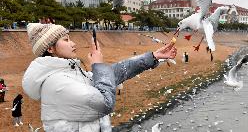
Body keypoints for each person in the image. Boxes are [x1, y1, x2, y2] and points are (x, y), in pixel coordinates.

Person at [22, 23, 177, 132]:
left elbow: (112, 74)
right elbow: (105, 103)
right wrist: (98, 65)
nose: (74, 43)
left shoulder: (70, 74)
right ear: (50, 48)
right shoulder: (56, 82)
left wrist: (153, 56)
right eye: (66, 40)